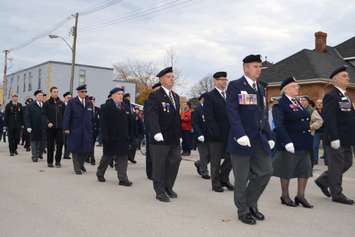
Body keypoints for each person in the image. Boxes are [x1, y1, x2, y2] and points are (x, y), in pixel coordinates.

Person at [226, 54, 274, 225]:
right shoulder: (235, 85)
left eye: (260, 66)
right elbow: (232, 112)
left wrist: (270, 136)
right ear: (246, 68)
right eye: (255, 66)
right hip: (242, 140)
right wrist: (240, 134)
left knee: (266, 171)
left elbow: (263, 114)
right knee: (242, 177)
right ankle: (243, 210)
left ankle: (251, 202)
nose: (259, 69)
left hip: (259, 139)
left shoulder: (260, 88)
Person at [315, 65, 355, 205]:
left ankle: (323, 180)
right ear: (335, 80)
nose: (348, 78)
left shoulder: (346, 96)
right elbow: (330, 118)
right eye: (344, 76)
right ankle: (337, 194)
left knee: (347, 163)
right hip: (336, 139)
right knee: (337, 167)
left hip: (347, 138)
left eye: (347, 76)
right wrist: (334, 138)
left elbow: (350, 117)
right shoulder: (331, 96)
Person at [272, 77, 314, 208]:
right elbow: (279, 125)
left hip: (304, 142)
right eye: (295, 86)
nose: (298, 88)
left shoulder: (297, 102)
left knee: (305, 170)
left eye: (297, 86)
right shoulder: (280, 104)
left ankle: (300, 196)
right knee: (286, 170)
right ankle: (285, 195)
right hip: (290, 143)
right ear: (286, 89)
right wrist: (287, 141)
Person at [146, 67, 182, 202]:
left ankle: (168, 187)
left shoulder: (176, 97)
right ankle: (159, 191)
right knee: (159, 165)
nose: (171, 79)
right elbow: (152, 115)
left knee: (175, 162)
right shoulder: (155, 96)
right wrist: (156, 132)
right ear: (161, 80)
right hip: (160, 137)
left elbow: (176, 118)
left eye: (172, 77)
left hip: (173, 137)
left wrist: (180, 135)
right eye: (168, 77)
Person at [203, 71, 233, 193]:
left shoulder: (229, 95)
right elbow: (209, 117)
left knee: (231, 158)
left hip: (229, 134)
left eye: (225, 80)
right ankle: (216, 183)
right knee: (215, 161)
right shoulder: (210, 96)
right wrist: (215, 132)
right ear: (215, 81)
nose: (224, 82)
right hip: (216, 135)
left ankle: (224, 179)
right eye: (221, 79)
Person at [96, 87, 132, 186]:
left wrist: (130, 135)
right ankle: (100, 173)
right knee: (107, 157)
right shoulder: (106, 107)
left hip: (123, 137)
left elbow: (129, 122)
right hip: (110, 137)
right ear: (113, 95)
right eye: (119, 94)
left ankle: (123, 179)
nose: (121, 96)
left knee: (123, 157)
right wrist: (105, 137)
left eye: (122, 94)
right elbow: (103, 124)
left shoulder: (125, 106)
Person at [63, 85, 93, 175]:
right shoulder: (72, 102)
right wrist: (66, 128)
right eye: (82, 92)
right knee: (75, 149)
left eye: (85, 92)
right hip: (75, 129)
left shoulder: (89, 103)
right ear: (78, 92)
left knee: (86, 149)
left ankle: (80, 164)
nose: (84, 93)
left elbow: (91, 117)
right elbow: (67, 116)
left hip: (86, 130)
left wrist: (92, 127)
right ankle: (77, 168)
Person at [43, 87, 65, 168]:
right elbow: (43, 115)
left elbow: (64, 115)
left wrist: (63, 125)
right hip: (50, 128)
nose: (56, 93)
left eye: (57, 92)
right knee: (50, 146)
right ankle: (50, 162)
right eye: (54, 92)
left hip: (59, 128)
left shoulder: (61, 103)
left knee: (60, 145)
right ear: (51, 93)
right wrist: (48, 122)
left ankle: (58, 161)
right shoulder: (47, 103)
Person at [143, 82, 161, 180]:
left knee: (157, 154)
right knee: (150, 153)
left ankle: (156, 172)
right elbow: (148, 117)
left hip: (160, 131)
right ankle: (150, 173)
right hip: (151, 130)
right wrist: (150, 130)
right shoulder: (149, 100)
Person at [192, 93, 210, 179]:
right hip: (201, 137)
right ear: (202, 99)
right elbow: (195, 124)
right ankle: (204, 172)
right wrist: (199, 134)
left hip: (210, 135)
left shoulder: (210, 109)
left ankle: (199, 163)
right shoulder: (197, 110)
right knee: (204, 154)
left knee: (211, 155)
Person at [25, 90, 45, 162]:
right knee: (34, 141)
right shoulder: (30, 105)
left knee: (41, 142)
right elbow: (27, 117)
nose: (41, 97)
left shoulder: (44, 105)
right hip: (34, 126)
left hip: (42, 127)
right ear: (36, 96)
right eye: (39, 95)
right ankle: (34, 156)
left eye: (42, 96)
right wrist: (28, 126)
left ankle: (39, 154)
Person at [312, 99, 327, 165]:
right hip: (317, 131)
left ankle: (327, 160)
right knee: (315, 146)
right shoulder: (314, 112)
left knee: (326, 146)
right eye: (318, 103)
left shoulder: (327, 111)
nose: (319, 104)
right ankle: (315, 160)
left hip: (326, 131)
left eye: (321, 103)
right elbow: (311, 121)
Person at [87, 96, 100, 165]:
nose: (93, 102)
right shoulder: (87, 109)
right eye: (91, 101)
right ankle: (92, 158)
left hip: (95, 130)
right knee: (90, 144)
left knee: (92, 144)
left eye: (93, 101)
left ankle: (88, 156)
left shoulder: (98, 109)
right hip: (88, 129)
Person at [62, 92, 72, 159]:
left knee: (69, 141)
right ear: (65, 98)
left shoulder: (72, 105)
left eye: (70, 98)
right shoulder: (62, 105)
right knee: (63, 141)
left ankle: (66, 154)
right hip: (62, 126)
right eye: (68, 98)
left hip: (70, 126)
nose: (69, 99)